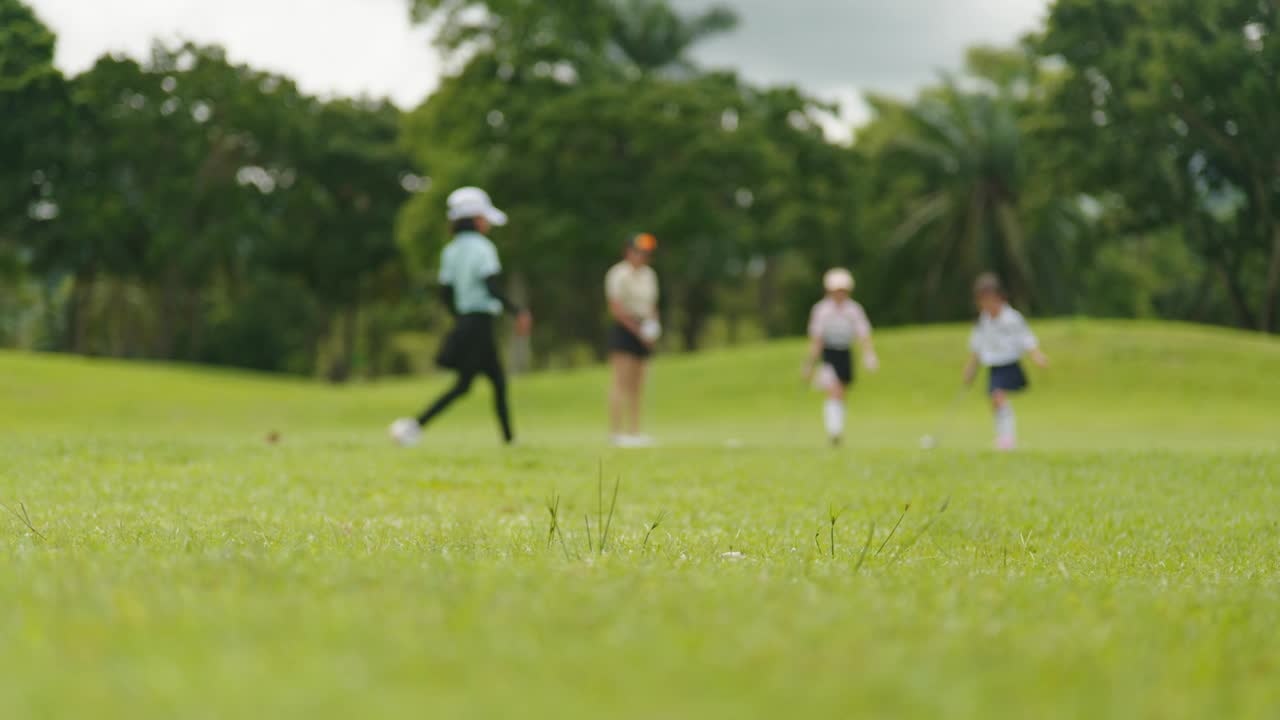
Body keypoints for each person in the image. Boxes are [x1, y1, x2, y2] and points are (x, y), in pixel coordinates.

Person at [393, 187, 531, 447]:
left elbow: (445, 293)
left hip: (466, 321)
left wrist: (459, 319)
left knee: (475, 384)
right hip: (481, 321)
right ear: (477, 219)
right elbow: (490, 285)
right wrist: (518, 311)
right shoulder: (484, 248)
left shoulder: (451, 251)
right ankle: (413, 427)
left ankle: (414, 427)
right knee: (486, 383)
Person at [963, 272, 1048, 451]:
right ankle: (1003, 436)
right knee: (995, 400)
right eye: (982, 301)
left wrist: (1036, 355)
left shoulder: (1012, 318)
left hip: (1009, 363)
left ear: (999, 297)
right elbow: (976, 347)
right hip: (994, 365)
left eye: (989, 300)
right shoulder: (983, 321)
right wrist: (971, 368)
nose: (986, 305)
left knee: (998, 396)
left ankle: (1007, 439)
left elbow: (1026, 338)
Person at [804, 268, 879, 447]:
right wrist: (809, 364)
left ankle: (836, 429)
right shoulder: (821, 310)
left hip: (844, 352)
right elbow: (817, 339)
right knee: (834, 389)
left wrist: (869, 355)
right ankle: (834, 431)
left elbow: (863, 334)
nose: (840, 294)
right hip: (828, 353)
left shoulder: (853, 310)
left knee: (841, 392)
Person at [605, 233, 661, 447]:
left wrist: (652, 329)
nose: (643, 256)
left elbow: (652, 305)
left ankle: (634, 431)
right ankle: (616, 432)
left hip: (644, 328)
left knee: (638, 384)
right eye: (639, 252)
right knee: (620, 381)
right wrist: (638, 331)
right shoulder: (619, 274)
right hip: (625, 329)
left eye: (646, 253)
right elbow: (616, 309)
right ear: (629, 252)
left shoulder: (649, 275)